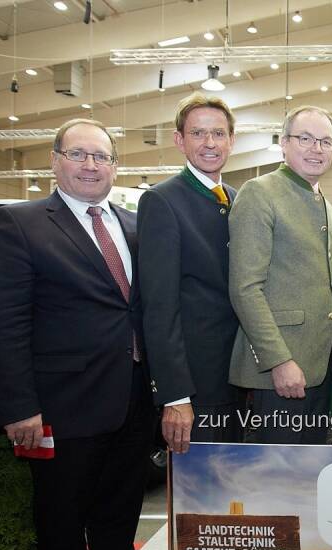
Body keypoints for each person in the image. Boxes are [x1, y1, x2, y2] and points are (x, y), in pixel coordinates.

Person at [0, 119, 171, 550]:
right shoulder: (17, 225)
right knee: (61, 516)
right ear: (55, 160)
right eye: (78, 154)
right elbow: (1, 324)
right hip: (59, 406)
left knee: (121, 502)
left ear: (115, 166)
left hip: (133, 397)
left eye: (101, 157)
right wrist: (17, 407)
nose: (91, 165)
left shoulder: (134, 225)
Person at [138, 93, 243, 453]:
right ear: (179, 140)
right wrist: (174, 395)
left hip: (240, 381)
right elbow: (158, 306)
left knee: (240, 499)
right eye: (198, 133)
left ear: (232, 139)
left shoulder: (237, 197)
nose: (210, 143)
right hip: (197, 390)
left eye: (218, 133)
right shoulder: (162, 200)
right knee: (201, 502)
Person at [228, 105, 332, 444]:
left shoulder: (323, 201)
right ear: (284, 143)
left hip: (322, 366)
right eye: (305, 138)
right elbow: (246, 288)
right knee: (277, 480)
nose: (316, 149)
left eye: (325, 141)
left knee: (314, 475)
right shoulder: (260, 192)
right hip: (283, 371)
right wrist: (279, 360)